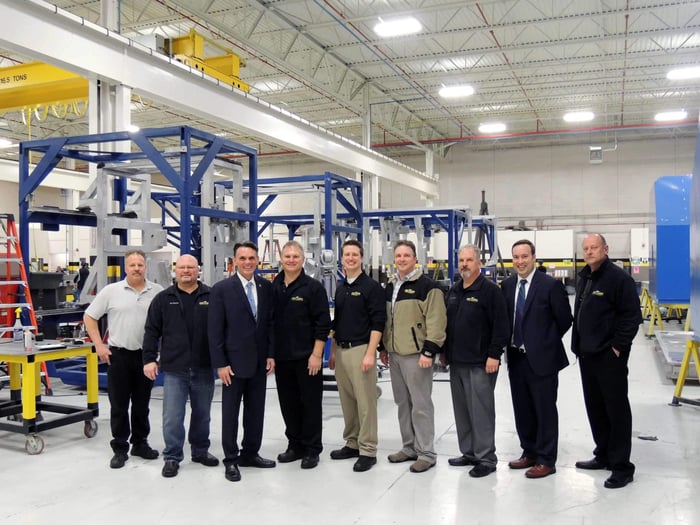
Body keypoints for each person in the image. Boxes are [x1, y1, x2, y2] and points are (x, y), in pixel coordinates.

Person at [572, 233, 642, 489]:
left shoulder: (618, 278)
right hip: (587, 355)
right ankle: (603, 454)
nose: (589, 252)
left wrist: (617, 348)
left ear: (606, 249)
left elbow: (631, 316)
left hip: (608, 356)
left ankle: (622, 466)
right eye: (586, 248)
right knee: (596, 407)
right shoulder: (585, 276)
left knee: (616, 410)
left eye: (594, 247)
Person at [83, 249, 164, 469]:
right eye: (132, 265)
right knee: (119, 405)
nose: (137, 268)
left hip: (146, 358)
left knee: (142, 404)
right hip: (118, 356)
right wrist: (99, 345)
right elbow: (89, 317)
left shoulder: (157, 292)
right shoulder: (111, 291)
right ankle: (120, 448)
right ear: (125, 267)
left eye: (140, 264)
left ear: (145, 267)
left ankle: (140, 443)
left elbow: (167, 324)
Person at [142, 254, 219, 478]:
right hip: (175, 368)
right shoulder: (163, 298)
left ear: (198, 271)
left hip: (204, 367)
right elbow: (151, 331)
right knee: (172, 416)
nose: (186, 271)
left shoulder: (211, 296)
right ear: (176, 270)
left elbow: (221, 329)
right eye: (182, 267)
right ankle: (172, 456)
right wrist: (149, 359)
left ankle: (200, 451)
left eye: (191, 267)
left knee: (202, 414)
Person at [501, 239, 572, 479]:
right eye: (516, 257)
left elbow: (564, 319)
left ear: (534, 257)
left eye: (524, 256)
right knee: (523, 409)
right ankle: (529, 451)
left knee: (544, 410)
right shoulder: (508, 285)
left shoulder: (549, 285)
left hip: (542, 359)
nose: (520, 262)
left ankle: (546, 459)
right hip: (516, 358)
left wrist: (543, 342)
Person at [208, 241, 276, 482]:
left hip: (259, 363)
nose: (248, 262)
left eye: (251, 258)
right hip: (232, 365)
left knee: (256, 411)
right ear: (234, 261)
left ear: (257, 260)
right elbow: (215, 330)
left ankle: (250, 453)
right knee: (231, 413)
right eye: (243, 258)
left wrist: (270, 354)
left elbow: (269, 324)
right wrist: (221, 363)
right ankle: (231, 459)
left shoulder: (266, 287)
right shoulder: (222, 289)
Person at [379, 240, 446, 473]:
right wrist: (384, 348)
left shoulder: (428, 286)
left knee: (421, 404)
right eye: (398, 255)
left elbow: (437, 322)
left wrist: (429, 351)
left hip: (417, 355)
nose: (402, 259)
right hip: (395, 354)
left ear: (415, 258)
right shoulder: (391, 284)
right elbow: (387, 320)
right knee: (402, 403)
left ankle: (426, 452)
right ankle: (409, 447)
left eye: (407, 255)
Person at [444, 245, 509, 478]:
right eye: (461, 260)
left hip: (481, 363)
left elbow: (501, 326)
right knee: (462, 410)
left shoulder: (490, 291)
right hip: (456, 361)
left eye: (469, 260)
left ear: (478, 263)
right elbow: (448, 326)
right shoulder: (454, 291)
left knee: (481, 411)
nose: (464, 264)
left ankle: (486, 458)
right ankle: (469, 452)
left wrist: (494, 354)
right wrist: (444, 353)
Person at [272, 240, 331, 470]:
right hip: (282, 358)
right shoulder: (274, 286)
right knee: (288, 404)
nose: (291, 260)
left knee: (311, 404)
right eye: (287, 256)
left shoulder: (313, 288)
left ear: (302, 260)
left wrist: (317, 355)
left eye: (296, 256)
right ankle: (294, 445)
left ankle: (312, 449)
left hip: (308, 359)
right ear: (282, 259)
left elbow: (322, 324)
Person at [328, 239, 386, 472]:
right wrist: (332, 351)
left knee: (365, 403)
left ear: (361, 258)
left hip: (362, 349)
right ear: (342, 259)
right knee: (347, 401)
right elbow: (337, 322)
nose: (350, 258)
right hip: (341, 350)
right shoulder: (341, 288)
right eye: (346, 254)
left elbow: (378, 322)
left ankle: (368, 449)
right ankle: (352, 442)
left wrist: (371, 353)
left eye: (354, 254)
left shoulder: (371, 287)